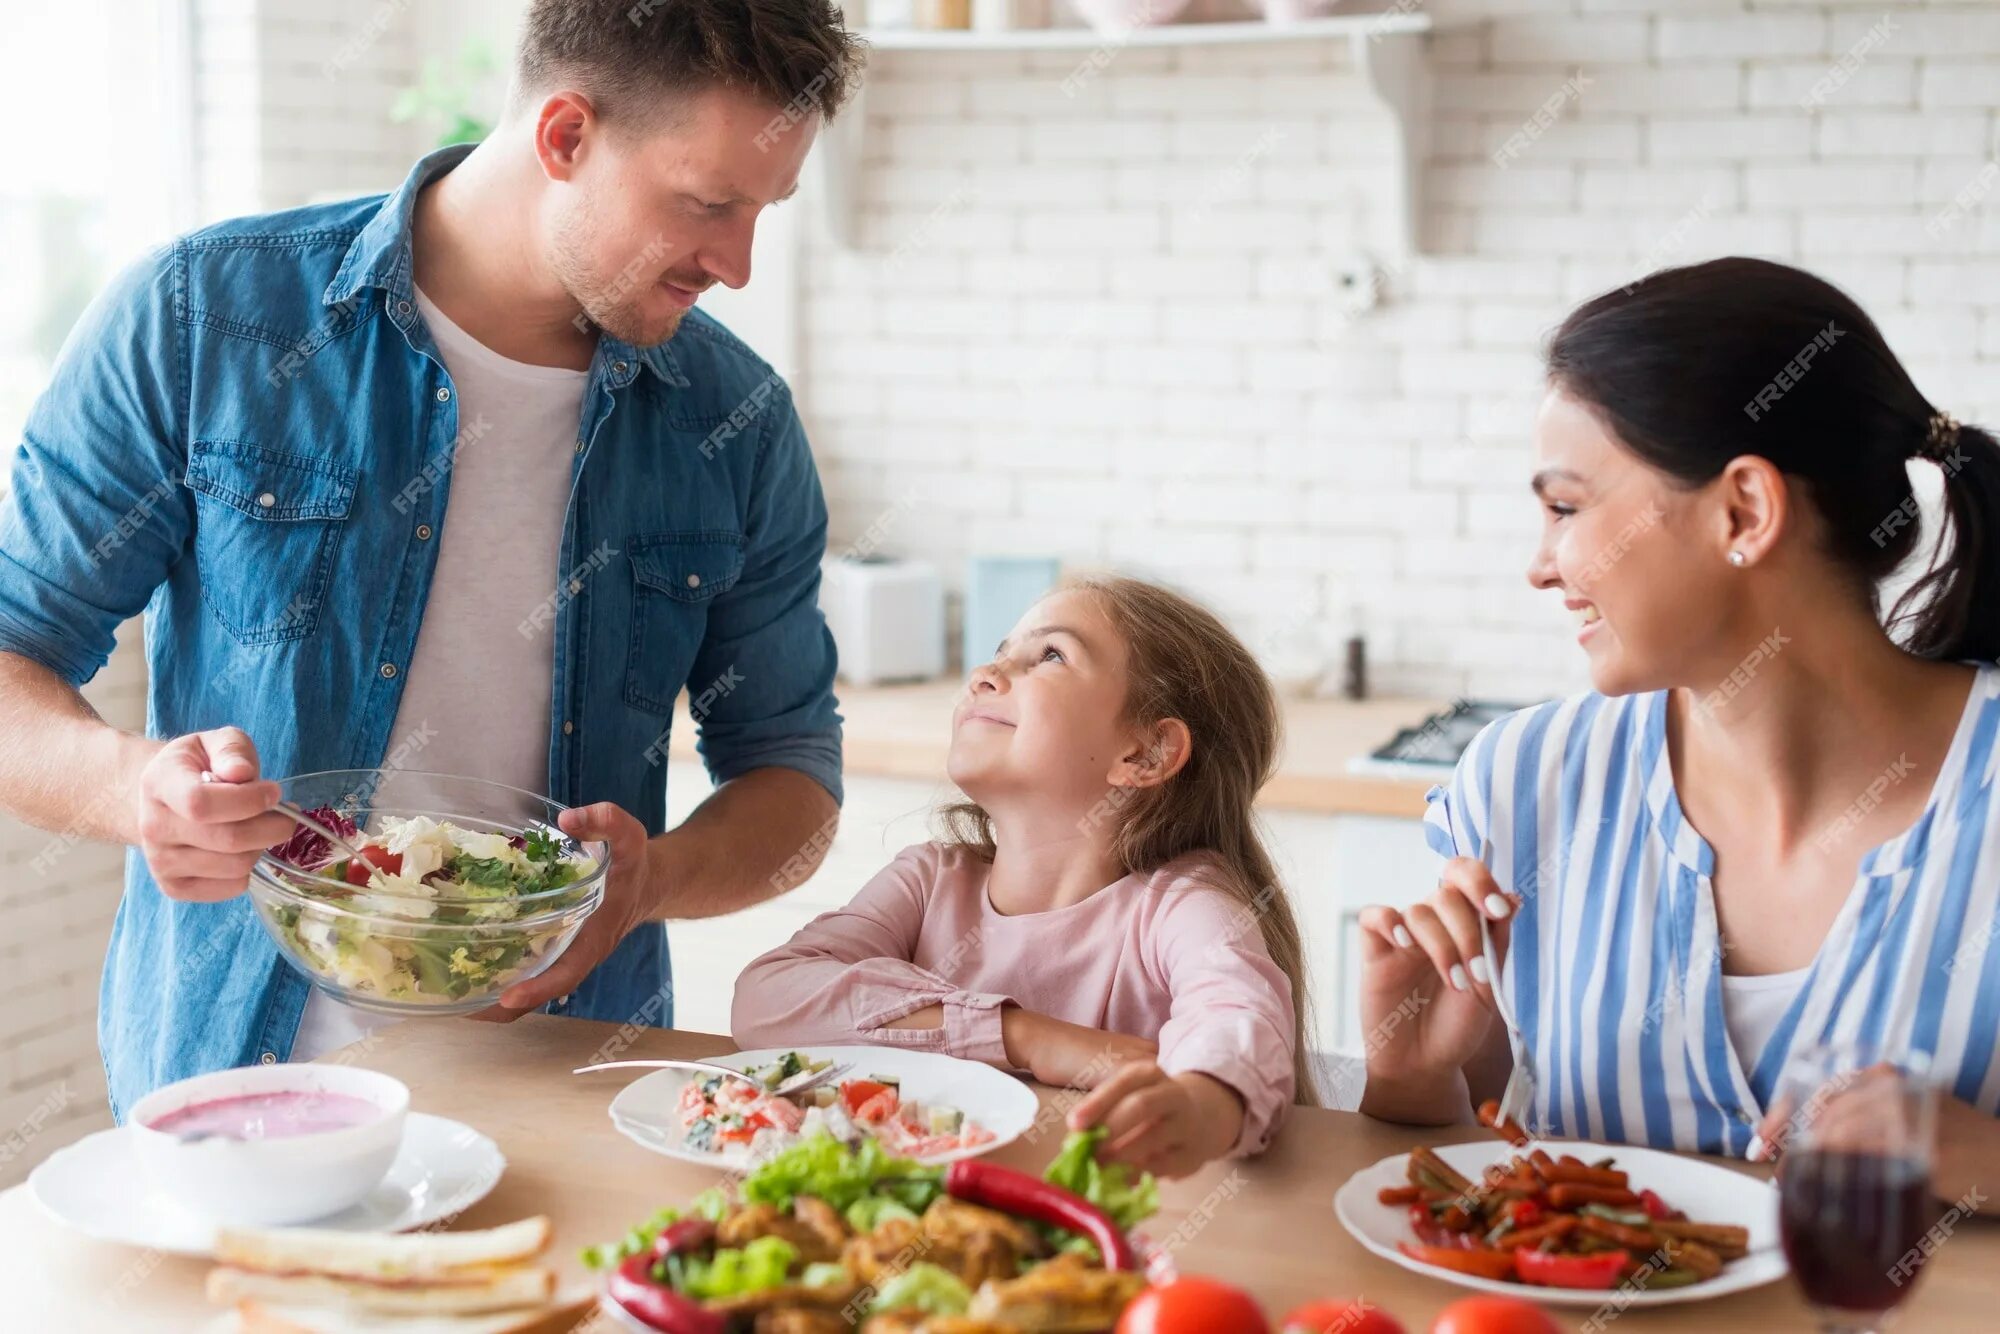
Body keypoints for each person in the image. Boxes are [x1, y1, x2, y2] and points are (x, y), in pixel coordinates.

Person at [0, 0, 864, 1118]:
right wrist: (136, 791)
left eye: (762, 213)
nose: (737, 264)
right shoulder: (204, 320)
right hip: (236, 1089)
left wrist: (652, 881)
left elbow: (793, 776)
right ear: (565, 136)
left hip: (572, 1092)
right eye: (707, 205)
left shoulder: (734, 419)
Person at [1357, 256, 2000, 1203]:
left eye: (1567, 508)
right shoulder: (1522, 786)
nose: (1542, 566)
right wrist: (1413, 1075)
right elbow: (1479, 1185)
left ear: (1743, 510)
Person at [732, 576, 1311, 1179]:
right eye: (1003, 650)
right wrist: (1026, 1037)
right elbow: (766, 999)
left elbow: (1240, 1020)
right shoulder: (928, 882)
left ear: (1145, 753)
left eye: (1050, 655)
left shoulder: (1182, 906)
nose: (986, 671)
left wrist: (1203, 1102)